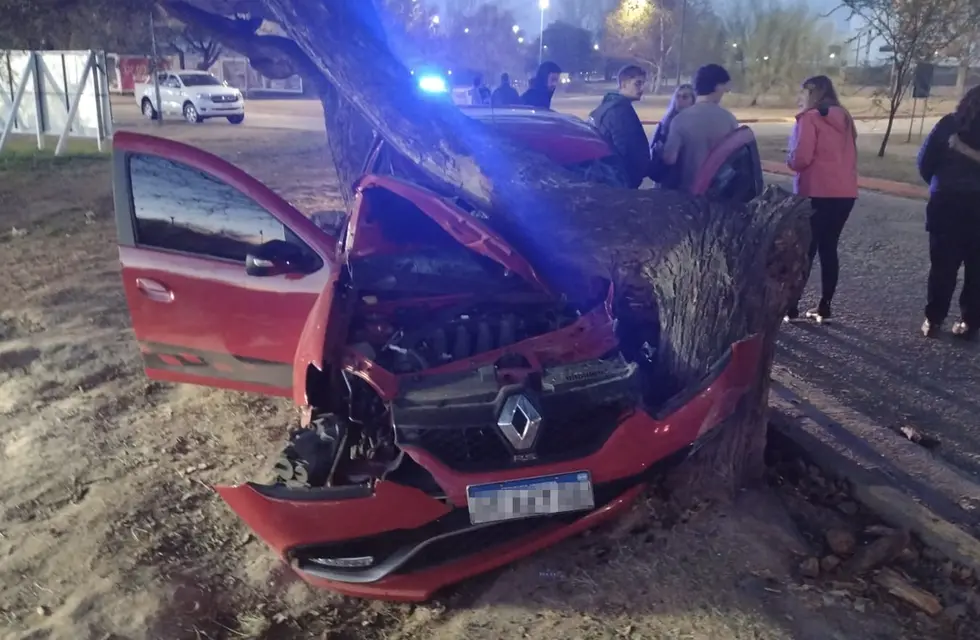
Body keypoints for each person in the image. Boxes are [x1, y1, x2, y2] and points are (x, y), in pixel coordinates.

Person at [783, 75, 859, 325]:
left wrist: (790, 158)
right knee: (829, 248)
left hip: (815, 190)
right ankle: (824, 305)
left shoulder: (809, 118)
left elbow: (801, 159)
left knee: (804, 250)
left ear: (812, 93)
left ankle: (791, 305)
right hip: (844, 193)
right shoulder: (844, 118)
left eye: (803, 92)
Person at [915, 84, 980, 340]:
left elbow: (924, 162)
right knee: (977, 269)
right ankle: (969, 321)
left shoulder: (948, 125)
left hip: (947, 203)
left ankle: (933, 319)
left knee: (943, 267)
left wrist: (938, 182)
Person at [660, 64, 738, 192]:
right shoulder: (729, 119)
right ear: (717, 87)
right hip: (717, 192)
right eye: (724, 87)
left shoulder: (679, 120)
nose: (725, 91)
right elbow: (736, 160)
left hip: (686, 192)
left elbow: (669, 159)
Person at [588, 65, 651, 189]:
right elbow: (625, 150)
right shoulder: (621, 111)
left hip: (609, 178)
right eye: (637, 84)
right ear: (623, 84)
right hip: (620, 181)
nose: (642, 88)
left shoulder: (606, 106)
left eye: (643, 83)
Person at [649, 83, 695, 188]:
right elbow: (655, 145)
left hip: (686, 172)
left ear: (693, 100)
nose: (680, 100)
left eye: (685, 97)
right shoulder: (666, 121)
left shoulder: (695, 121)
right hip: (666, 173)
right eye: (678, 96)